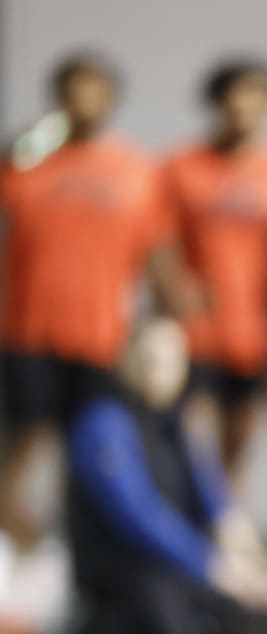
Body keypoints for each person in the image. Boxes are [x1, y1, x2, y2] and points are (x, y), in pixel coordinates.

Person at [0, 52, 186, 599]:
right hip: (28, 332)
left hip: (101, 337)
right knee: (21, 448)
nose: (82, 102)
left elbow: (159, 256)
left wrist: (174, 313)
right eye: (71, 90)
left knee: (92, 456)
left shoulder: (136, 171)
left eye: (93, 90)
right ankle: (13, 559)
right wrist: (27, 145)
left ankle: (76, 566)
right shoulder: (25, 163)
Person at [60, 317, 267, 634]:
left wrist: (256, 567)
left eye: (170, 362)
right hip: (127, 577)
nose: (158, 372)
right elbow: (140, 516)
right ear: (125, 360)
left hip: (180, 571)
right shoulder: (105, 424)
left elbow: (219, 507)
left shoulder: (180, 429)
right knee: (165, 615)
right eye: (149, 359)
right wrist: (214, 567)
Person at [164, 58, 267, 481]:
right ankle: (189, 526)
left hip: (259, 329)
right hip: (197, 329)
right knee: (190, 435)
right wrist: (172, 287)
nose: (244, 106)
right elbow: (157, 240)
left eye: (257, 96)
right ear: (216, 102)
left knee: (242, 434)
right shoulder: (181, 168)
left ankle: (225, 523)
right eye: (235, 94)